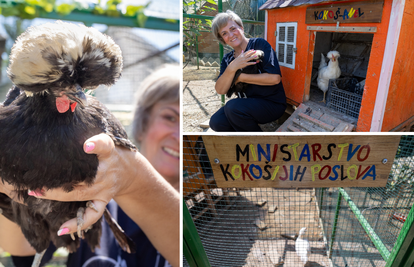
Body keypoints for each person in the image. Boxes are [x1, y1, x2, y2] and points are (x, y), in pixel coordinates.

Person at [0, 64, 180, 267]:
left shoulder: (207, 211)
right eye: (170, 117)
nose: (179, 135)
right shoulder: (89, 191)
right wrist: (9, 183)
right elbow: (21, 249)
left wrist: (133, 178)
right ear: (143, 123)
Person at [209, 10, 287, 132]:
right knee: (216, 122)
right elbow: (220, 89)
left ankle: (259, 143)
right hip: (247, 104)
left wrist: (239, 77)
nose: (230, 35)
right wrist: (232, 68)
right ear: (223, 40)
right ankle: (243, 138)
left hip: (272, 103)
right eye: (224, 33)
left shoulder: (259, 44)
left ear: (241, 28)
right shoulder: (228, 59)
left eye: (233, 28)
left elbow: (275, 78)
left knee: (232, 107)